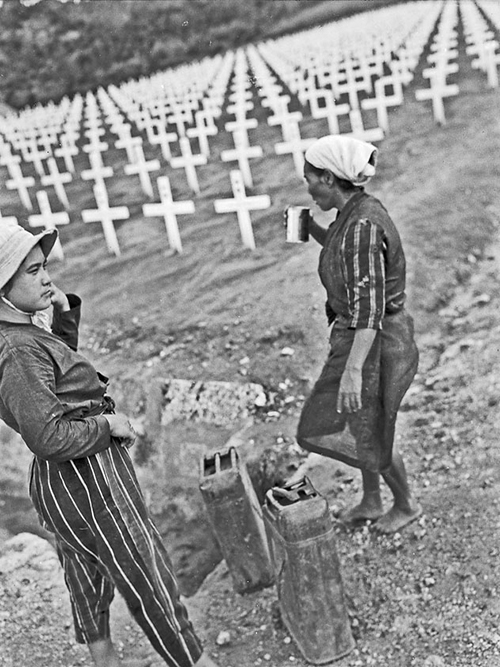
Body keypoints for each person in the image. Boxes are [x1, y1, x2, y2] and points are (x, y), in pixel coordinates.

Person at [0, 221, 219, 667]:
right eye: (32, 272)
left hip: (63, 484)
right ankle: (191, 661)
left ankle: (105, 658)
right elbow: (47, 434)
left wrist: (62, 316)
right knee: (146, 570)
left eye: (44, 268)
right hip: (89, 476)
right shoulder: (18, 350)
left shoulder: (21, 337)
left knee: (84, 565)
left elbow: (56, 383)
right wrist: (109, 426)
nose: (46, 279)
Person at [296, 134, 422, 534]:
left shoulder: (363, 225)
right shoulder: (354, 212)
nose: (309, 188)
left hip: (376, 340)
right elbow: (343, 248)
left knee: (373, 427)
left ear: (330, 179)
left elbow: (369, 306)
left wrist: (353, 369)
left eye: (310, 180)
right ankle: (371, 500)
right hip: (360, 336)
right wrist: (310, 228)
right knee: (360, 420)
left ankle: (406, 505)